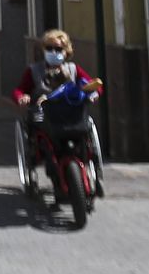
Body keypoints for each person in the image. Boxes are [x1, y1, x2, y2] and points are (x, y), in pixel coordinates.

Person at [12, 28, 104, 196]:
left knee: (84, 135)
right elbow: (19, 90)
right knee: (44, 141)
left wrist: (94, 94)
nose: (54, 52)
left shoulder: (74, 69)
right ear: (44, 50)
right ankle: (54, 173)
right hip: (46, 117)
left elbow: (93, 84)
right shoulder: (34, 70)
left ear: (66, 51)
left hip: (72, 116)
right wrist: (22, 97)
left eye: (58, 49)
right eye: (49, 48)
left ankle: (93, 175)